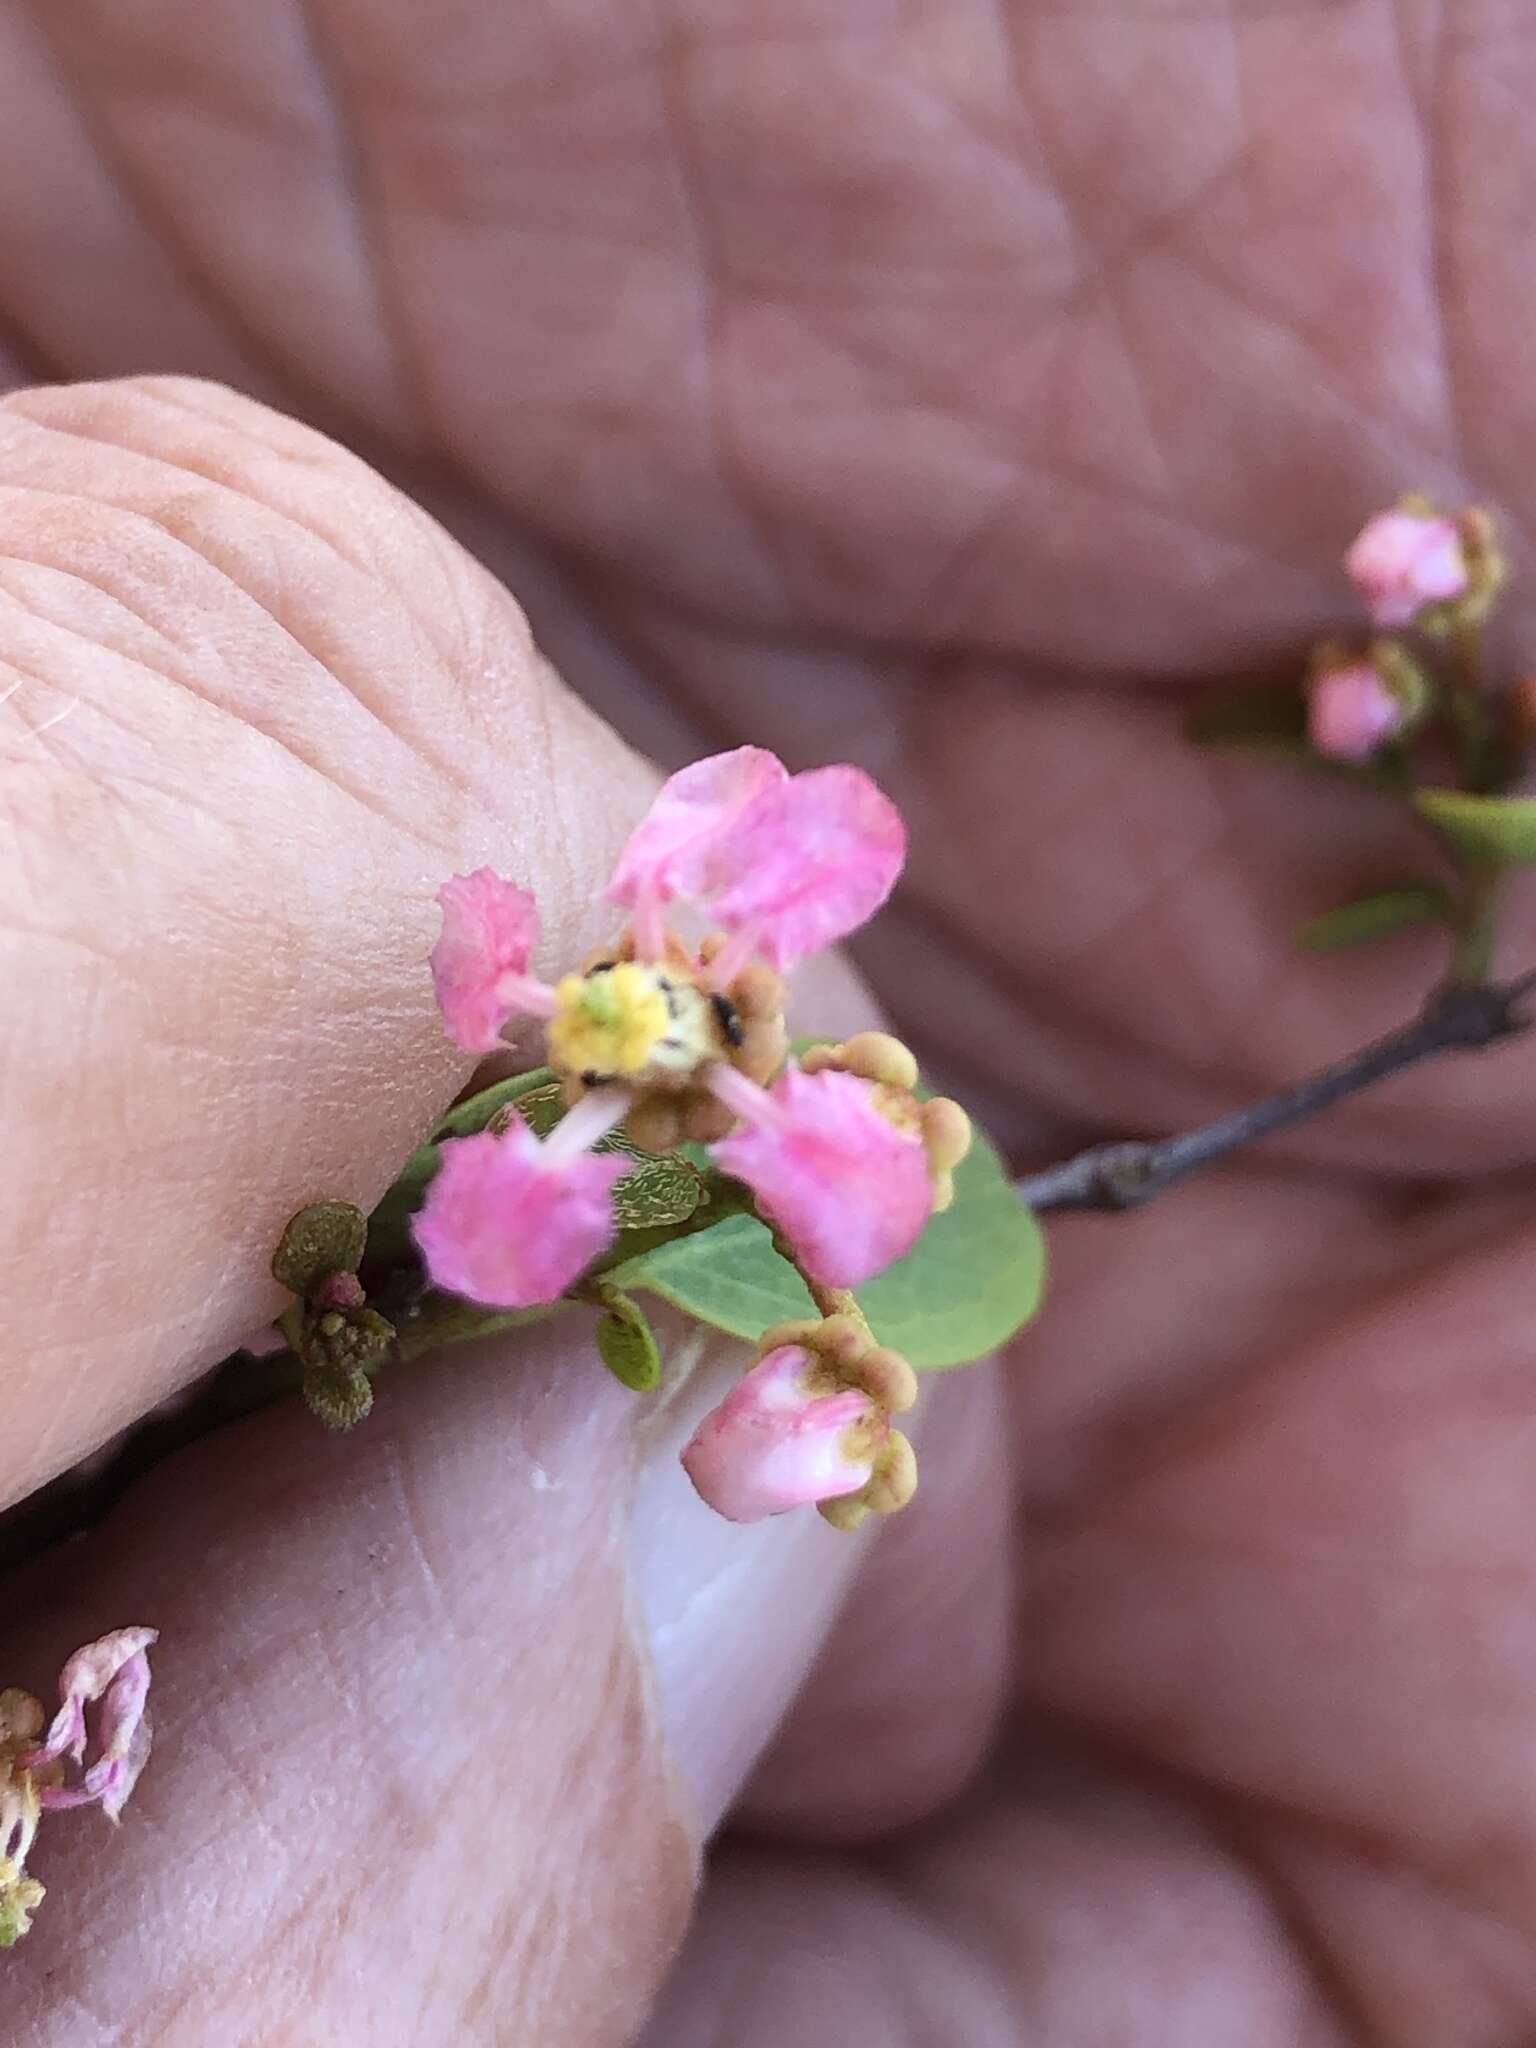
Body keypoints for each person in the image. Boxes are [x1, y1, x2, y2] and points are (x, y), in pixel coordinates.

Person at [2, 5, 1531, 2040]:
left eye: (674, 1005)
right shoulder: (574, 1079)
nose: (647, 1002)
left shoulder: (686, 1118)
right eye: (642, 996)